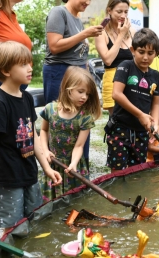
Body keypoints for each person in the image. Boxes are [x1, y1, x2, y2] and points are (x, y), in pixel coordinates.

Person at [0, 41, 62, 232]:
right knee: (14, 229)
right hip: (8, 179)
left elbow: (32, 136)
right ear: (6, 71)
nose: (30, 67)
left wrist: (47, 168)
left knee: (35, 222)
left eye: (29, 62)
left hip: (29, 173)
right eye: (23, 64)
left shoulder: (26, 98)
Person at [43, 0, 103, 168]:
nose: (88, 2)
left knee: (80, 122)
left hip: (78, 75)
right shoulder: (58, 12)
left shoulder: (77, 19)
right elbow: (54, 46)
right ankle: (55, 169)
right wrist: (85, 34)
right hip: (60, 73)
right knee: (59, 123)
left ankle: (79, 168)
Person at [39, 66, 101, 201]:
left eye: (88, 94)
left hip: (74, 165)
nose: (84, 97)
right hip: (53, 162)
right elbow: (43, 131)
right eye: (81, 91)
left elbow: (79, 146)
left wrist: (73, 164)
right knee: (51, 201)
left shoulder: (85, 117)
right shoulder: (50, 109)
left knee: (75, 202)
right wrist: (45, 150)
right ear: (68, 88)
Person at [105, 28, 159, 173]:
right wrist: (140, 115)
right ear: (133, 50)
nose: (145, 57)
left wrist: (154, 123)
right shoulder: (126, 66)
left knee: (137, 173)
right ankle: (117, 195)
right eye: (141, 52)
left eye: (150, 53)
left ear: (156, 53)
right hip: (120, 129)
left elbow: (155, 103)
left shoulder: (156, 76)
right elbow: (116, 94)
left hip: (141, 133)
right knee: (117, 173)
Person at [95, 0, 136, 116]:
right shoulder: (101, 32)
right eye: (119, 11)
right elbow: (108, 60)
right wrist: (121, 35)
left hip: (132, 79)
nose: (123, 15)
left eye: (126, 12)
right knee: (117, 122)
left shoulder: (132, 31)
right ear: (109, 10)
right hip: (113, 80)